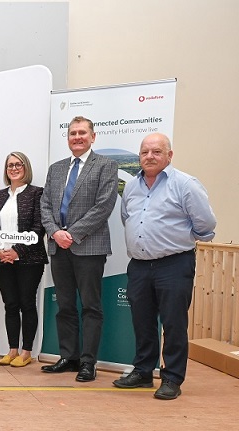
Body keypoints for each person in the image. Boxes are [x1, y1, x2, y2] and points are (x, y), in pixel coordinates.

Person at [113, 133, 216, 400]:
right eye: (145, 152)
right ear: (139, 157)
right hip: (139, 266)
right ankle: (143, 372)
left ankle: (171, 378)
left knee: (173, 323)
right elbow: (128, 218)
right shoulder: (132, 187)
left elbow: (205, 224)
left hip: (174, 264)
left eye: (156, 151)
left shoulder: (185, 184)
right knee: (143, 322)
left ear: (169, 156)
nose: (150, 156)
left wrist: (176, 240)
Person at [39, 116, 118, 382]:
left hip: (88, 248)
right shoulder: (56, 168)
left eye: (82, 133)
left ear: (93, 137)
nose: (77, 137)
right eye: (72, 133)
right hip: (58, 247)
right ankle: (68, 357)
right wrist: (54, 232)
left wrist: (71, 234)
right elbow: (45, 205)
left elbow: (103, 207)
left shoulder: (106, 165)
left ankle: (88, 362)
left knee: (91, 307)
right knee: (64, 306)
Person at [0, 152, 47, 367]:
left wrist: (17, 251)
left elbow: (39, 228)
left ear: (25, 167)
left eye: (18, 164)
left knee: (27, 304)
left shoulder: (37, 193)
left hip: (29, 260)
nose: (14, 168)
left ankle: (27, 351)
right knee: (10, 304)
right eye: (10, 165)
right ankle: (12, 350)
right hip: (2, 259)